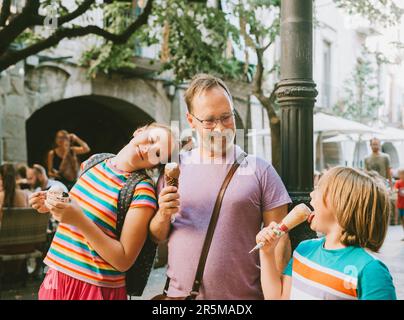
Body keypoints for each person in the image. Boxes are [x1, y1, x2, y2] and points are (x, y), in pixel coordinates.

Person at [149, 74, 292, 300]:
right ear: (191, 120)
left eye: (226, 117)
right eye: (209, 120)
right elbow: (158, 236)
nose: (220, 128)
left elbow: (280, 242)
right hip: (180, 298)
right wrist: (163, 213)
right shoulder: (175, 168)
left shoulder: (260, 170)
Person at [29, 123, 175, 300]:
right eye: (152, 139)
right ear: (139, 131)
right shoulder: (94, 162)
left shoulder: (142, 192)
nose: (149, 150)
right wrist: (53, 205)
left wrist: (77, 219)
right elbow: (81, 211)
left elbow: (123, 260)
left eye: (158, 154)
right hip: (56, 276)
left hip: (96, 288)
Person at [256, 167, 397, 300]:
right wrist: (267, 253)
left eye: (319, 189)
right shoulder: (304, 250)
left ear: (342, 204)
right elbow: (279, 297)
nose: (311, 194)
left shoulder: (371, 270)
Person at [394, 168, 404, 241]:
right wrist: (396, 190)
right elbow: (395, 189)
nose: (401, 175)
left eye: (402, 174)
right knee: (402, 220)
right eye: (400, 174)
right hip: (400, 205)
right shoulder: (398, 183)